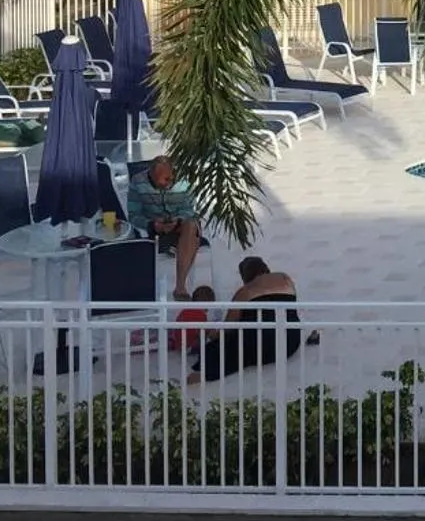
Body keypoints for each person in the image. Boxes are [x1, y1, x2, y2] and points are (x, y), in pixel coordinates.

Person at [188, 256, 302, 385]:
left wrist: (211, 333)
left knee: (218, 348)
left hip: (259, 344)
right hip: (289, 342)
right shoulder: (284, 278)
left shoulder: (245, 291)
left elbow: (228, 327)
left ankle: (202, 375)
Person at [126, 155, 202, 301]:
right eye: (165, 179)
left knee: (191, 225)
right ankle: (180, 283)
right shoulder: (137, 182)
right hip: (154, 228)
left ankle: (180, 286)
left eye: (171, 178)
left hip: (181, 225)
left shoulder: (183, 180)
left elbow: (189, 210)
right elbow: (134, 215)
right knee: (194, 239)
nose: (169, 183)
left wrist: (177, 221)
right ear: (152, 175)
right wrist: (153, 224)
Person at [168, 284, 215, 353]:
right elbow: (202, 333)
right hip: (190, 345)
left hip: (178, 344)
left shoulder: (184, 311)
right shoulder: (201, 315)